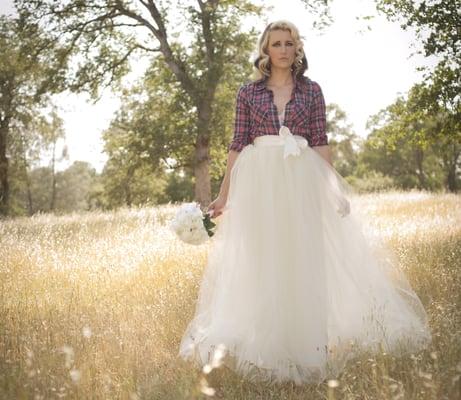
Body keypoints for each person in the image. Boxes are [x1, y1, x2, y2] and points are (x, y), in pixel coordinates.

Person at [178, 20, 432, 386]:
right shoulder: (247, 93)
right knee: (264, 263)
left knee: (303, 261)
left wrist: (334, 189)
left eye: (289, 43)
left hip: (301, 183)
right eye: (276, 43)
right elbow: (237, 144)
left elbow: (320, 142)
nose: (283, 49)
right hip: (260, 185)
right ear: (266, 50)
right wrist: (223, 195)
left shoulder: (312, 91)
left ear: (297, 49)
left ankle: (307, 351)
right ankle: (264, 350)